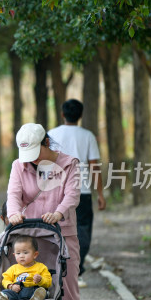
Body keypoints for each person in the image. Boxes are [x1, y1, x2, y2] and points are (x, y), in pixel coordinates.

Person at [7, 123, 83, 300]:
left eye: (36, 153)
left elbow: (72, 195)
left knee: (68, 299)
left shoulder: (69, 163)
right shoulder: (20, 165)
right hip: (31, 239)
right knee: (33, 296)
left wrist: (59, 212)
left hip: (62, 235)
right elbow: (14, 194)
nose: (33, 161)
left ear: (46, 144)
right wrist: (14, 214)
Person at [48, 99, 107, 287]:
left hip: (57, 190)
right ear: (80, 115)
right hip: (83, 190)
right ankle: (76, 271)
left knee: (58, 229)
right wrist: (100, 194)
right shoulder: (88, 136)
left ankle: (59, 268)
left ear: (62, 114)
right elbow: (94, 166)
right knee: (82, 230)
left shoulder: (52, 134)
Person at [0, 235, 51, 300]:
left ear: (35, 255)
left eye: (25, 252)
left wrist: (40, 280)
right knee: (7, 292)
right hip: (16, 292)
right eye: (18, 253)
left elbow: (48, 282)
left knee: (42, 291)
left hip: (32, 291)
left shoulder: (41, 267)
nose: (21, 256)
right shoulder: (13, 268)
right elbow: (5, 280)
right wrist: (11, 286)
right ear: (14, 255)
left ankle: (36, 298)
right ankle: (3, 297)